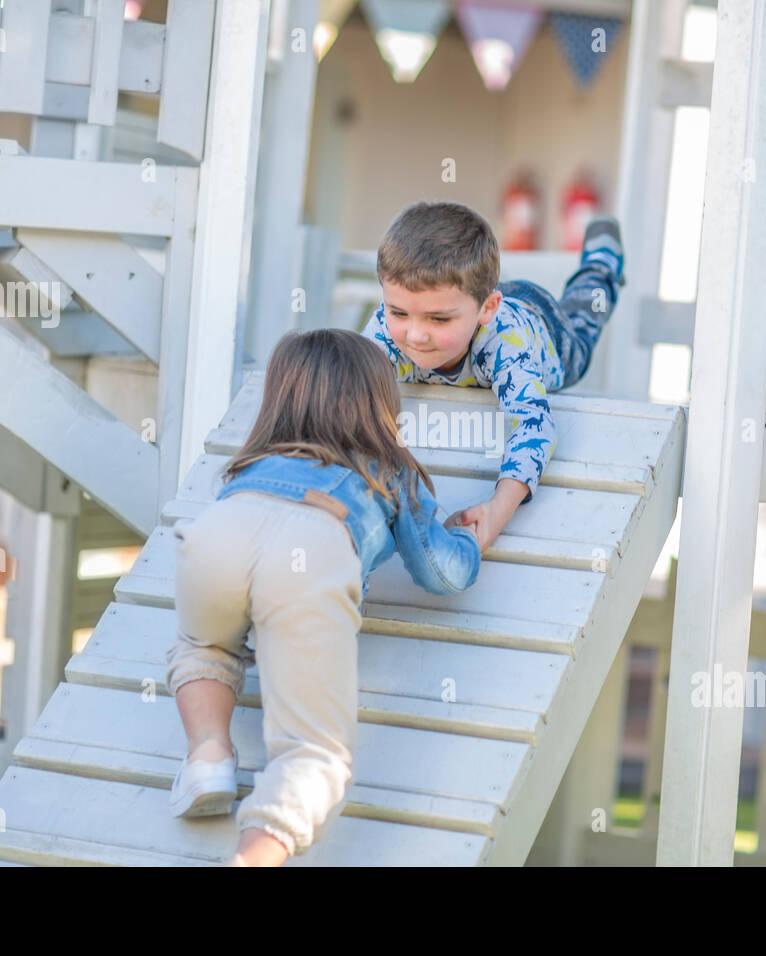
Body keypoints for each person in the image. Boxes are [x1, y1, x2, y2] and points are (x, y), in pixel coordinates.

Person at [163, 328, 482, 867]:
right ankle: (251, 859)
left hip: (216, 533)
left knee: (203, 645)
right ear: (380, 404)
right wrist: (472, 539)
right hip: (312, 550)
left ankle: (209, 755)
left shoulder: (249, 464)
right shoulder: (390, 470)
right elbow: (439, 572)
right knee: (314, 751)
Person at [361, 200, 625, 553]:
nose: (415, 335)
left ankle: (602, 260)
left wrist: (498, 509)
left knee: (584, 315)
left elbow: (535, 426)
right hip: (476, 297)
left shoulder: (506, 346)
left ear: (487, 308)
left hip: (543, 327)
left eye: (438, 320)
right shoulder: (384, 327)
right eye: (399, 312)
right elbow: (346, 389)